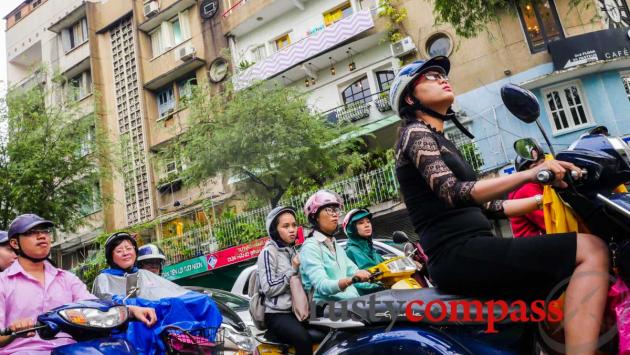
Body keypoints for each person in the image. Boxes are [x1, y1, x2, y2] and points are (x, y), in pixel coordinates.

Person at [390, 56, 608, 354]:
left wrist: (544, 195)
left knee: (547, 292)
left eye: (442, 73)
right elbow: (453, 192)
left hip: (472, 247)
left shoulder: (439, 139)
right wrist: (530, 173)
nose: (441, 77)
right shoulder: (415, 132)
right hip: (457, 254)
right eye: (429, 76)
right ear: (411, 97)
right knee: (591, 249)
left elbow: (492, 208)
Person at [0, 214, 156, 354]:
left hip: (72, 350)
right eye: (31, 232)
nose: (42, 236)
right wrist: (13, 331)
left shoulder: (67, 279)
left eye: (45, 231)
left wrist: (132, 310)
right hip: (23, 351)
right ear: (14, 242)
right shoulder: (3, 283)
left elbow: (94, 306)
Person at [91, 232, 222, 354]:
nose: (125, 253)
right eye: (119, 250)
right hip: (123, 337)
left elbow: (176, 295)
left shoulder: (144, 274)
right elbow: (107, 303)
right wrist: (136, 307)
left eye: (129, 248)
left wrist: (202, 300)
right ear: (111, 257)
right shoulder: (104, 278)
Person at [257, 206, 313, 355]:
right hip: (277, 314)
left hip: (298, 310)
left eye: (294, 225)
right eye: (286, 226)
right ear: (275, 230)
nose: (292, 230)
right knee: (303, 339)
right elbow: (268, 288)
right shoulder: (268, 253)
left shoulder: (292, 250)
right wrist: (292, 269)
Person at [299, 190, 371, 305]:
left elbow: (355, 272)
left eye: (336, 210)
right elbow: (322, 285)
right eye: (328, 210)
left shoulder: (336, 246)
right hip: (327, 310)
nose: (335, 214)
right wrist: (351, 280)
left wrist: (378, 278)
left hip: (351, 303)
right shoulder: (310, 247)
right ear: (315, 216)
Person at [342, 208, 386, 295]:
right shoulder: (351, 251)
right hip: (369, 299)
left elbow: (387, 266)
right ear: (352, 229)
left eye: (368, 222)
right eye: (361, 223)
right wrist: (382, 285)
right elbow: (357, 281)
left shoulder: (371, 249)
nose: (367, 225)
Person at [508, 143, 547, 237]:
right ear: (525, 172)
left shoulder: (543, 185)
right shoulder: (526, 190)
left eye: (543, 163)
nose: (542, 168)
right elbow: (549, 222)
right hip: (535, 246)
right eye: (534, 167)